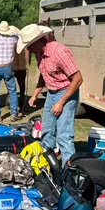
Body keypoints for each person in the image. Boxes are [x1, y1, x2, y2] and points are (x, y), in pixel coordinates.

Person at [17, 24, 84, 165]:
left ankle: (69, 171)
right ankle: (47, 164)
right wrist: (35, 94)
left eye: (29, 46)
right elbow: (44, 74)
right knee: (47, 132)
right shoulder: (39, 53)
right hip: (51, 93)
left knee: (64, 135)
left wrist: (61, 102)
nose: (28, 49)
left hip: (66, 92)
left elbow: (78, 79)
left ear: (38, 41)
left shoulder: (59, 52)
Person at [0, 21, 21, 121]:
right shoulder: (13, 39)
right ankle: (14, 114)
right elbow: (18, 34)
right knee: (12, 91)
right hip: (8, 68)